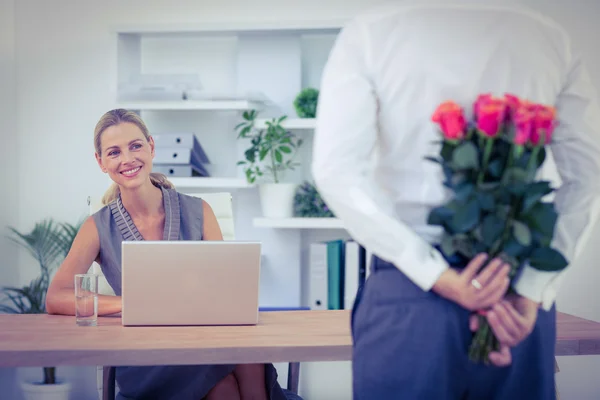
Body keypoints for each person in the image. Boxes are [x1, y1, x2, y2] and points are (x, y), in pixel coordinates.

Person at [312, 1, 600, 399]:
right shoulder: (549, 37)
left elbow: (336, 172)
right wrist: (532, 288)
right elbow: (588, 175)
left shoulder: (371, 34)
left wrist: (437, 276)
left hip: (410, 298)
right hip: (513, 297)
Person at [46, 109, 297, 400]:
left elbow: (226, 292)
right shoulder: (97, 227)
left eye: (135, 146)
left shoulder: (200, 211)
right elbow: (56, 297)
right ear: (101, 162)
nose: (127, 159)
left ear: (151, 147)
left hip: (202, 342)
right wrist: (130, 304)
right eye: (114, 152)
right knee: (228, 381)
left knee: (241, 367)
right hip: (146, 356)